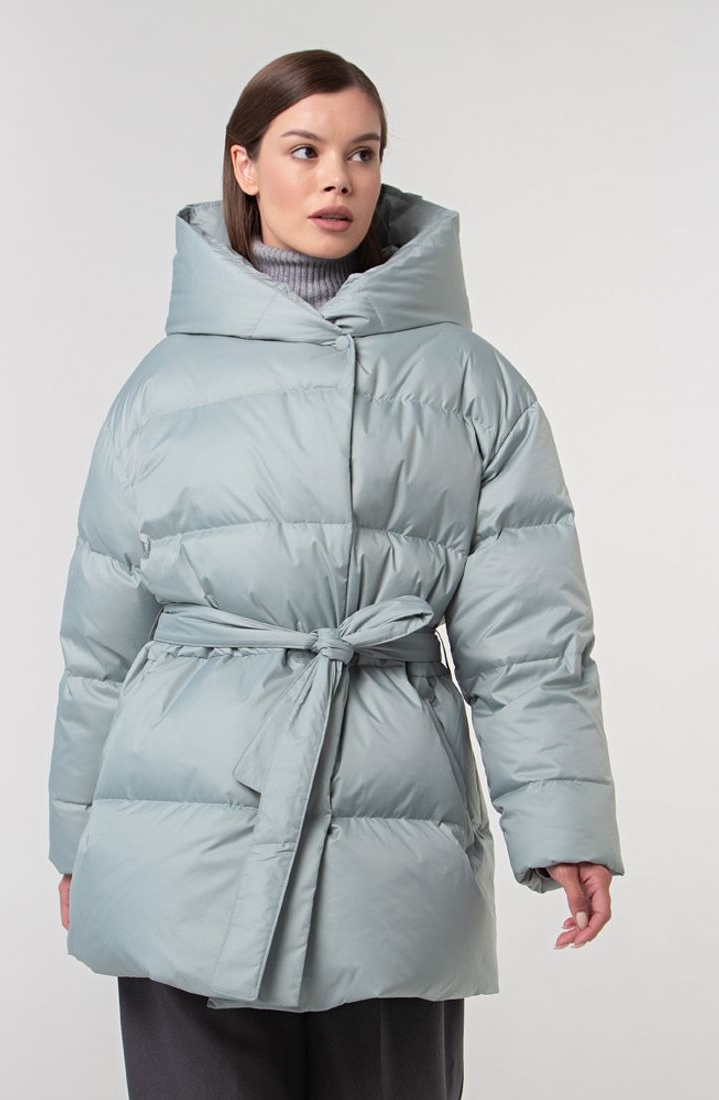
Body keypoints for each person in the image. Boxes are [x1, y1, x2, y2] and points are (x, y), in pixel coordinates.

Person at [47, 48, 625, 1100]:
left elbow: (529, 639)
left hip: (390, 825)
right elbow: (100, 648)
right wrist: (81, 838)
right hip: (181, 826)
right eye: (305, 150)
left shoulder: (470, 382)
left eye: (363, 153)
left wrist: (564, 823)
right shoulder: (162, 388)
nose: (337, 180)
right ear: (245, 166)